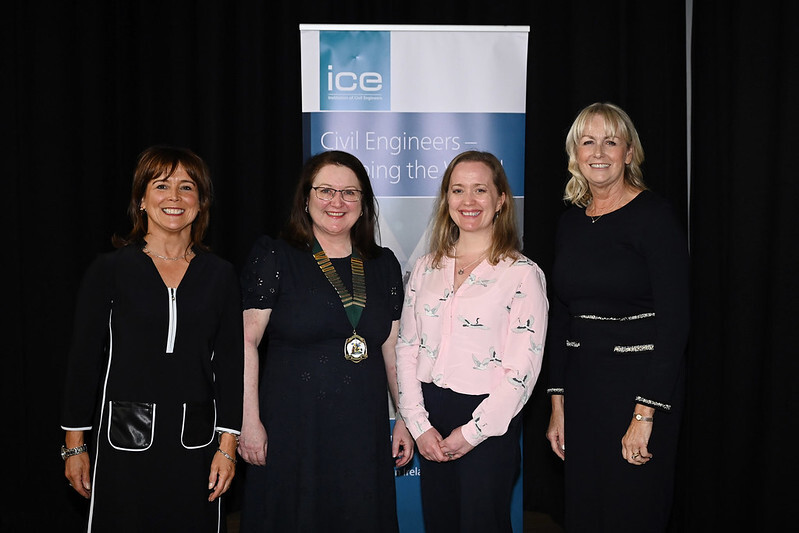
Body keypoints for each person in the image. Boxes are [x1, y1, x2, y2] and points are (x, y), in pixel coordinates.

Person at [61, 146, 244, 532]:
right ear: (141, 200)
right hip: (123, 444)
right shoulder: (109, 269)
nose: (174, 197)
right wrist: (75, 445)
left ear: (201, 202)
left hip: (195, 446)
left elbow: (230, 365)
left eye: (186, 187)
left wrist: (227, 447)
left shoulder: (221, 274)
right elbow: (83, 362)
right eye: (161, 186)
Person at [238, 150, 414, 532]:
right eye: (326, 191)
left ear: (363, 203)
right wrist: (249, 422)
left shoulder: (383, 265)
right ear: (305, 198)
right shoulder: (275, 255)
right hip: (292, 424)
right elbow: (247, 342)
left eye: (350, 193)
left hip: (362, 427)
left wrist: (405, 417)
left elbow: (392, 350)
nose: (338, 202)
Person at [545, 102, 690, 532]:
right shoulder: (570, 223)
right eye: (588, 141)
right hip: (583, 390)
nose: (599, 152)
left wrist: (645, 415)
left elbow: (675, 322)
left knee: (633, 511)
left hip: (639, 391)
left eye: (611, 141)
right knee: (585, 513)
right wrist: (557, 405)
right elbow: (562, 317)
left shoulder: (655, 217)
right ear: (575, 154)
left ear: (629, 152)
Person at [396, 150, 549, 533]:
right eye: (458, 190)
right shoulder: (426, 267)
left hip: (489, 422)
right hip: (431, 415)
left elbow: (523, 372)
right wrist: (417, 423)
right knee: (441, 523)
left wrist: (470, 433)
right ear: (446, 199)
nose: (468, 201)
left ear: (500, 201)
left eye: (480, 190)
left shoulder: (522, 274)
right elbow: (407, 347)